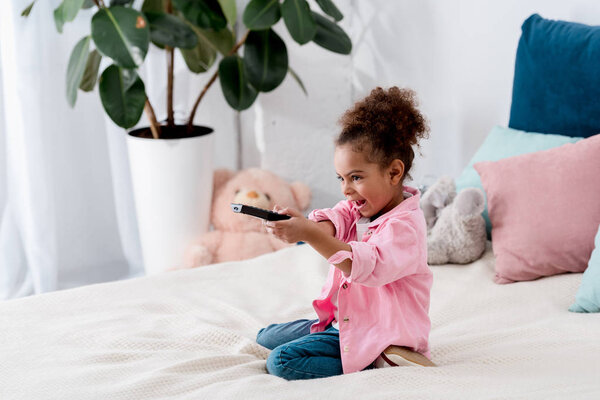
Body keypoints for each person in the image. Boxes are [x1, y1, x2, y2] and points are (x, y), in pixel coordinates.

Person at [257, 86, 433, 380]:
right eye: (341, 178)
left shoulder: (405, 228)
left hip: (381, 330)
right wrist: (303, 226)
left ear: (393, 173)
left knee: (280, 361)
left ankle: (372, 361)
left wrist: (311, 236)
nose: (346, 188)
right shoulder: (362, 207)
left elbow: (366, 265)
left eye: (356, 177)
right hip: (347, 318)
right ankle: (349, 344)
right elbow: (336, 218)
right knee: (265, 336)